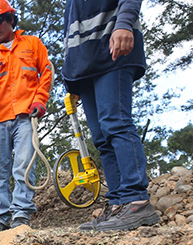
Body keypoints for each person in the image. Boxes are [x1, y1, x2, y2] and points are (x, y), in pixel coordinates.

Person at [63, 0, 160, 231]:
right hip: (84, 65)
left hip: (111, 49)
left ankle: (136, 200)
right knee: (101, 137)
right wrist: (71, 77)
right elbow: (70, 31)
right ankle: (118, 203)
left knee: (116, 123)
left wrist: (124, 23)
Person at [0, 0, 53, 233]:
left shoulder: (32, 44)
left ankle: (21, 214)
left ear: (10, 19)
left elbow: (46, 72)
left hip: (25, 116)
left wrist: (40, 100)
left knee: (24, 165)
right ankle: (1, 217)